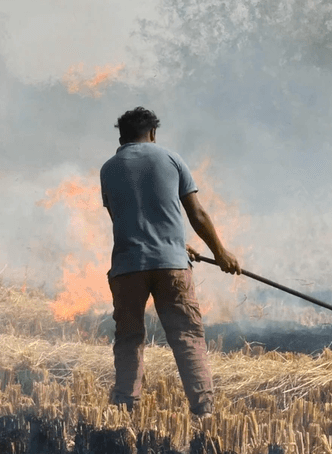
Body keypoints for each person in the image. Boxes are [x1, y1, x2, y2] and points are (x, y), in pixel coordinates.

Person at [99, 107, 241, 418]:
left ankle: (125, 409)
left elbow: (122, 218)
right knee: (187, 337)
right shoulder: (171, 158)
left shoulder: (108, 168)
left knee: (129, 339)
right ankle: (204, 411)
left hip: (127, 267)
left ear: (121, 136)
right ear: (153, 133)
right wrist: (220, 253)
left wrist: (177, 243)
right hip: (171, 265)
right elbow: (197, 214)